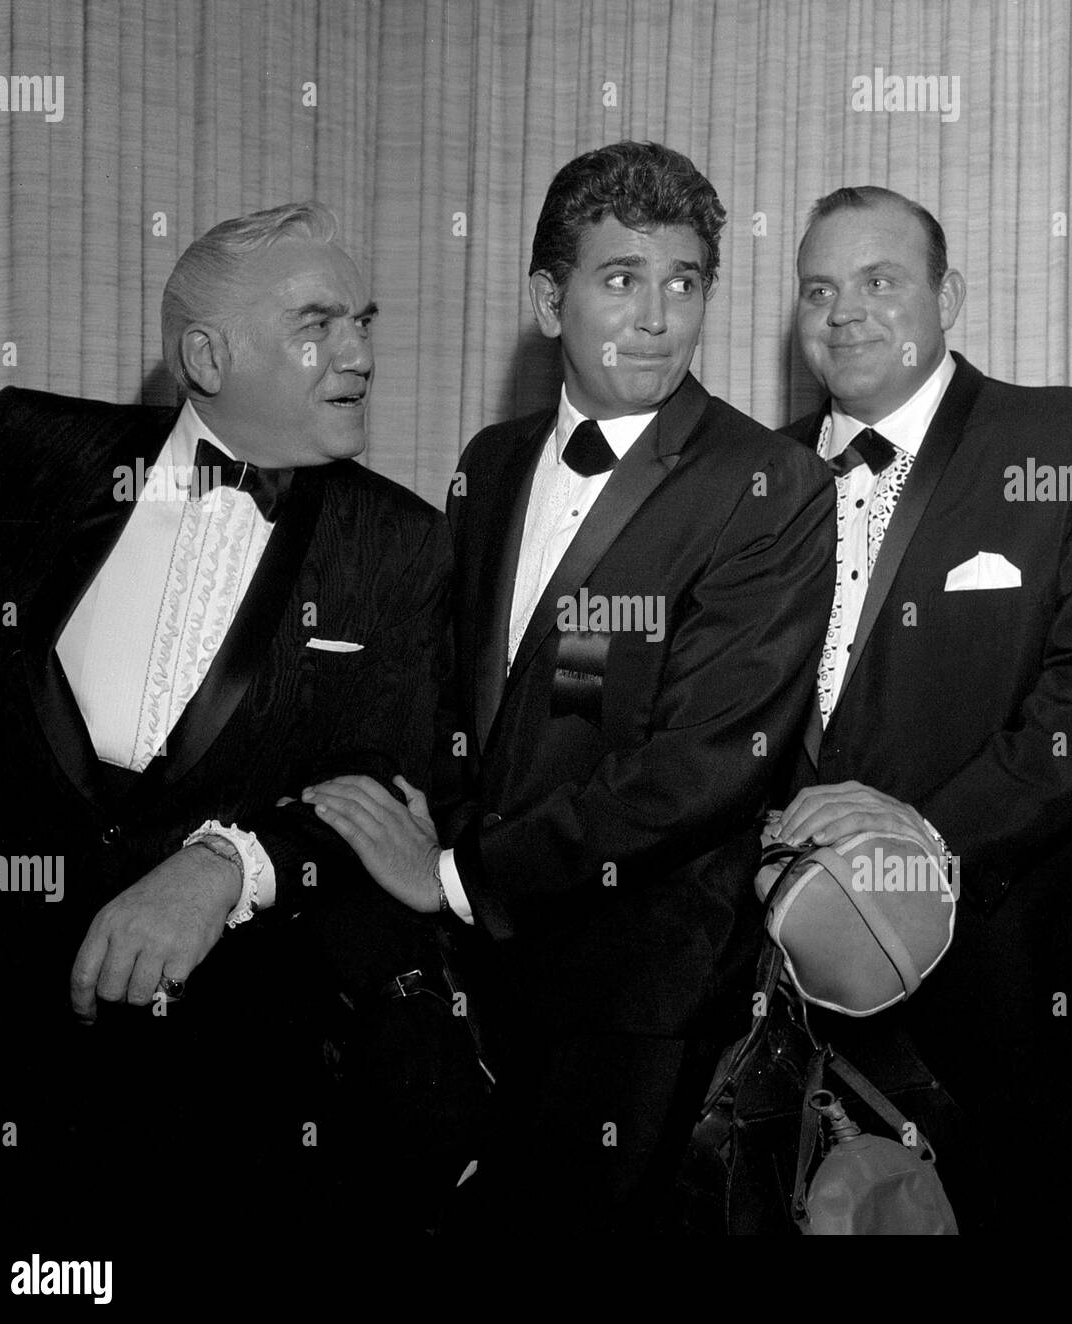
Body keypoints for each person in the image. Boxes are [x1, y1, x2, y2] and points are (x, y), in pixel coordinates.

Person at [303, 141, 837, 1232]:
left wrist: (456, 874)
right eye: (620, 278)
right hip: (475, 979)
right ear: (549, 300)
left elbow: (701, 766)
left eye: (684, 282)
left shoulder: (770, 485)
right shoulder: (490, 461)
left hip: (642, 993)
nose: (658, 317)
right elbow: (456, 694)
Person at [0, 201, 452, 1233]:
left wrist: (225, 865)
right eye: (321, 322)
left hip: (230, 1062)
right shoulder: (24, 448)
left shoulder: (400, 543)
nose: (360, 352)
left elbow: (385, 779)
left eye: (364, 320)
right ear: (206, 354)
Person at [772, 185, 1072, 1233]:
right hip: (782, 1005)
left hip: (992, 1003)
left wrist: (921, 835)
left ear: (947, 295)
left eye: (879, 281)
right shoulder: (753, 476)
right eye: (819, 289)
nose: (844, 311)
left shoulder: (1067, 442)